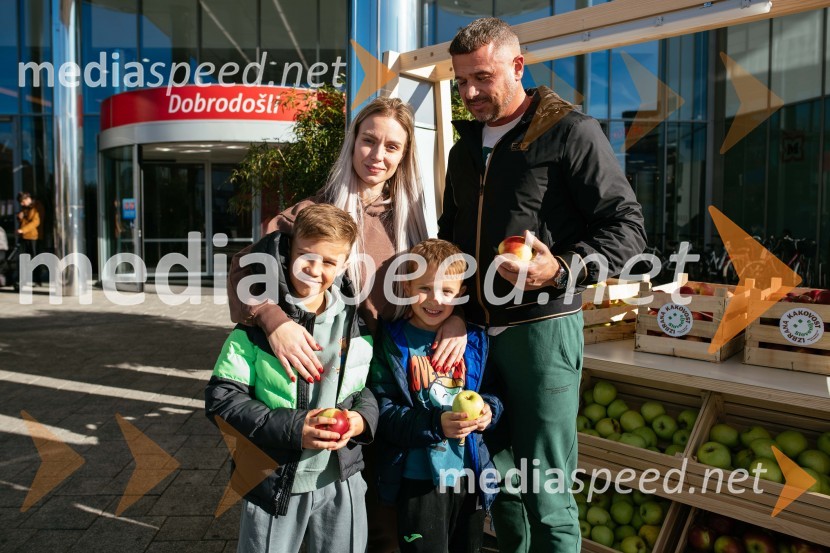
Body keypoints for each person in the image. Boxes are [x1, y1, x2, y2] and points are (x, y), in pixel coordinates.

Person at [440, 18, 647, 553]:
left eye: (481, 78)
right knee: (501, 484)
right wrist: (451, 309)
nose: (469, 93)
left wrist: (559, 269)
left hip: (543, 331)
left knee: (547, 489)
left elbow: (627, 228)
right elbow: (449, 239)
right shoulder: (463, 150)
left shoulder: (570, 132)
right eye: (461, 82)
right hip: (478, 335)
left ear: (517, 67)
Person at [228, 96, 468, 551]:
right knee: (337, 508)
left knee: (386, 513)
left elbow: (447, 281)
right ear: (352, 142)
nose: (377, 155)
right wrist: (273, 318)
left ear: (404, 156)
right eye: (369, 140)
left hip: (399, 384)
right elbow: (243, 269)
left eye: (392, 147)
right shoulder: (315, 211)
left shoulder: (416, 222)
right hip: (337, 382)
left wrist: (457, 319)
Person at [205, 204, 379, 553]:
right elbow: (221, 399)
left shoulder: (359, 323)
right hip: (273, 481)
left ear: (345, 265)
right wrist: (294, 427)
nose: (315, 269)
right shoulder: (254, 329)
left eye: (330, 262)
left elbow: (366, 391)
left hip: (342, 478)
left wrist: (362, 420)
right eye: (306, 256)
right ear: (287, 254)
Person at [369, 239, 503, 553]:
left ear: (461, 293)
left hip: (469, 475)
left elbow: (494, 393)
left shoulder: (474, 340)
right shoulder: (392, 343)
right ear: (405, 287)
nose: (435, 299)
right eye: (425, 288)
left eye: (447, 291)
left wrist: (488, 411)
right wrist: (435, 424)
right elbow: (385, 412)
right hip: (418, 480)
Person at [15, 191, 42, 288]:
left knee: (34, 258)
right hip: (24, 236)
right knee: (22, 259)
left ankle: (37, 280)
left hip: (33, 236)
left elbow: (36, 222)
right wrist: (20, 218)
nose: (21, 204)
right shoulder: (25, 208)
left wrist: (23, 230)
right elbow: (25, 221)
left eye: (22, 202)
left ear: (27, 199)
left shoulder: (36, 207)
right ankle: (23, 280)